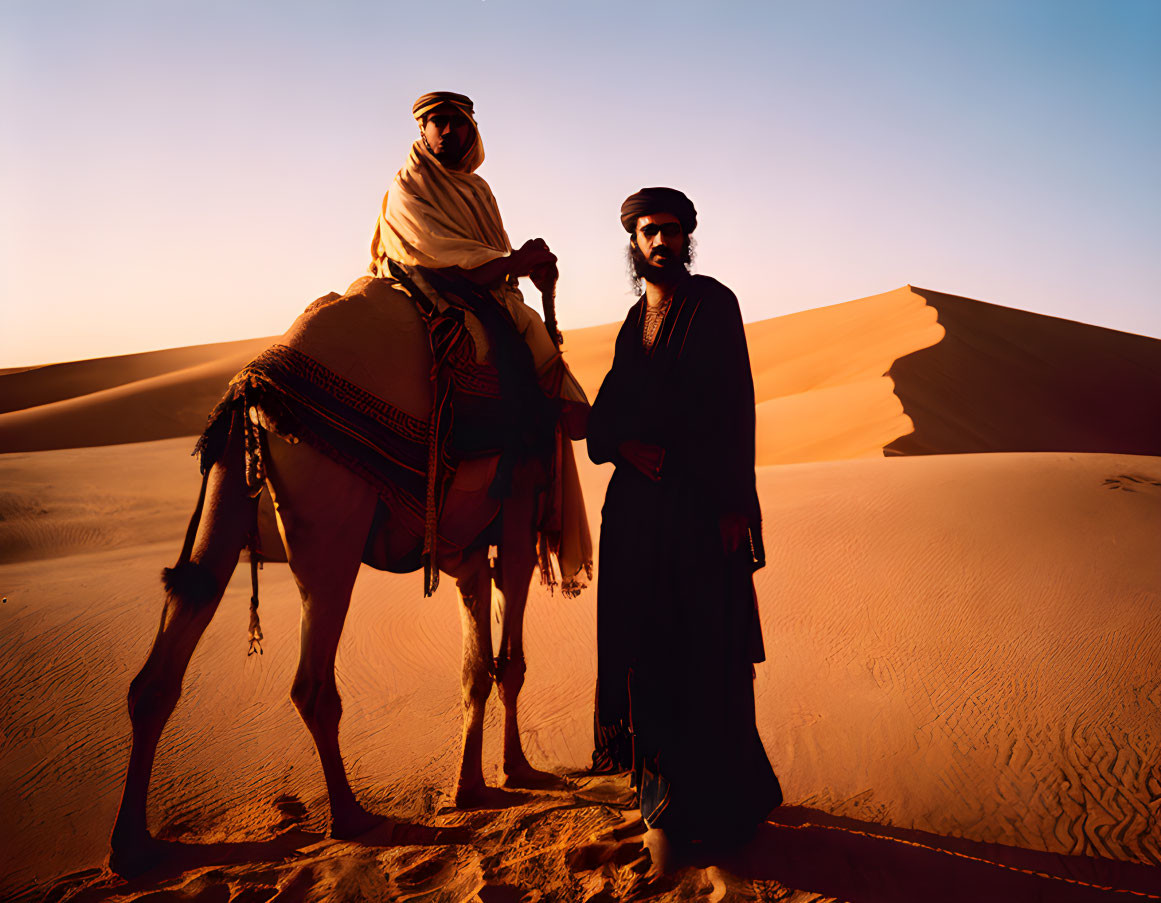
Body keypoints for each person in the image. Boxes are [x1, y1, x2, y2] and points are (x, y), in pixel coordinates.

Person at [587, 187, 781, 862]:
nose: (659, 242)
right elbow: (601, 419)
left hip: (700, 515)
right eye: (647, 232)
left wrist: (734, 506)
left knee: (708, 658)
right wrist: (625, 447)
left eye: (670, 231)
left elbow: (735, 410)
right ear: (633, 242)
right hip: (636, 521)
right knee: (647, 655)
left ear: (686, 237)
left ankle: (723, 806)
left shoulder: (711, 305)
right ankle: (661, 802)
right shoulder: (630, 322)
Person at [370, 91, 591, 594]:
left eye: (455, 123)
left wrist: (526, 273)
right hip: (426, 285)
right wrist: (513, 263)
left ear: (471, 130)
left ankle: (539, 465)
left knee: (529, 340)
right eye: (435, 122)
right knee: (511, 345)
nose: (445, 131)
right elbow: (438, 254)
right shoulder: (408, 184)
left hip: (482, 289)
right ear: (421, 131)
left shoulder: (478, 190)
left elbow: (487, 254)